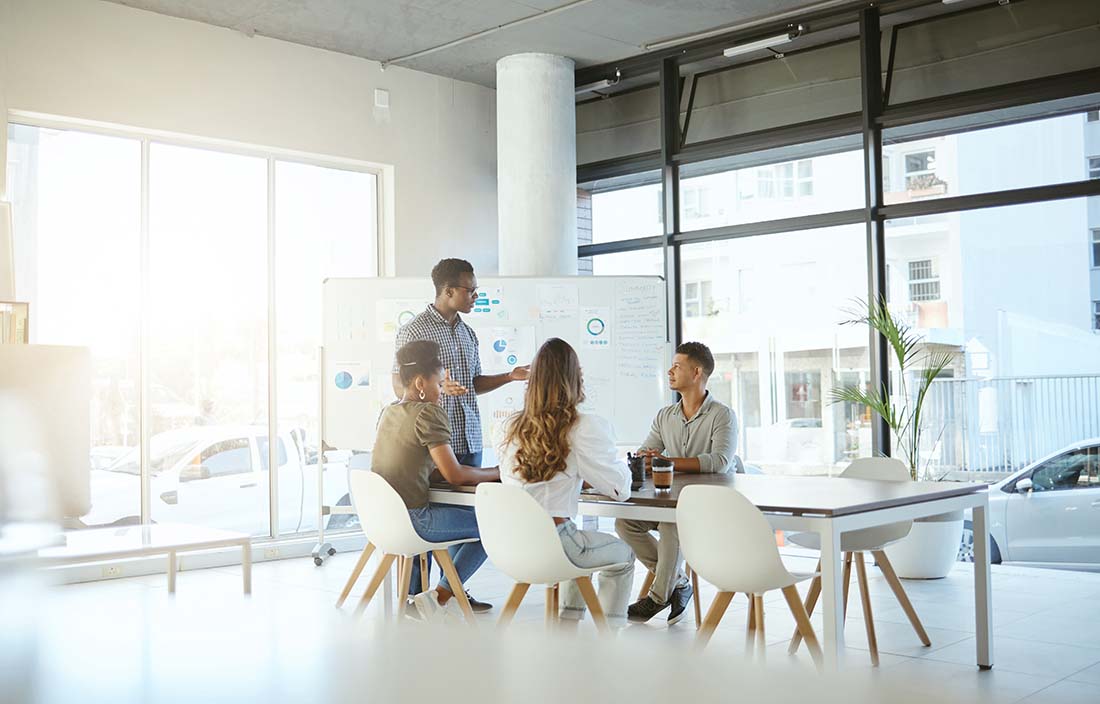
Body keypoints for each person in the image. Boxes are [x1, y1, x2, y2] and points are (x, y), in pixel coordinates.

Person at [497, 338, 635, 626]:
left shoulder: (508, 427)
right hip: (557, 545)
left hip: (510, 545)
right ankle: (611, 640)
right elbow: (619, 490)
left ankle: (567, 627)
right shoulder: (582, 426)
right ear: (575, 379)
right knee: (622, 556)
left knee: (579, 543)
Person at [373, 340, 500, 622]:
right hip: (414, 521)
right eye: (439, 384)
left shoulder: (389, 411)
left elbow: (424, 467)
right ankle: (438, 597)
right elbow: (455, 475)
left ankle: (430, 596)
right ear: (420, 383)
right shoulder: (428, 413)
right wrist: (497, 472)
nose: (442, 392)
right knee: (494, 526)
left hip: (384, 522)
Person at [616, 341, 738, 626]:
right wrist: (648, 458)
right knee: (625, 522)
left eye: (677, 366)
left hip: (709, 510)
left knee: (672, 522)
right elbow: (648, 453)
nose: (669, 371)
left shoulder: (722, 415)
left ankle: (657, 598)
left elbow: (719, 461)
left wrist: (666, 462)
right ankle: (680, 583)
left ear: (696, 373)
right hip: (674, 504)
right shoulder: (665, 416)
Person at [391, 258, 528, 468]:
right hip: (436, 442)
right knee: (440, 501)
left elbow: (472, 384)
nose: (476, 296)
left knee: (470, 501)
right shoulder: (414, 331)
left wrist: (509, 376)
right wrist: (437, 387)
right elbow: (399, 385)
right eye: (470, 290)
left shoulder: (468, 334)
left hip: (471, 441)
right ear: (448, 291)